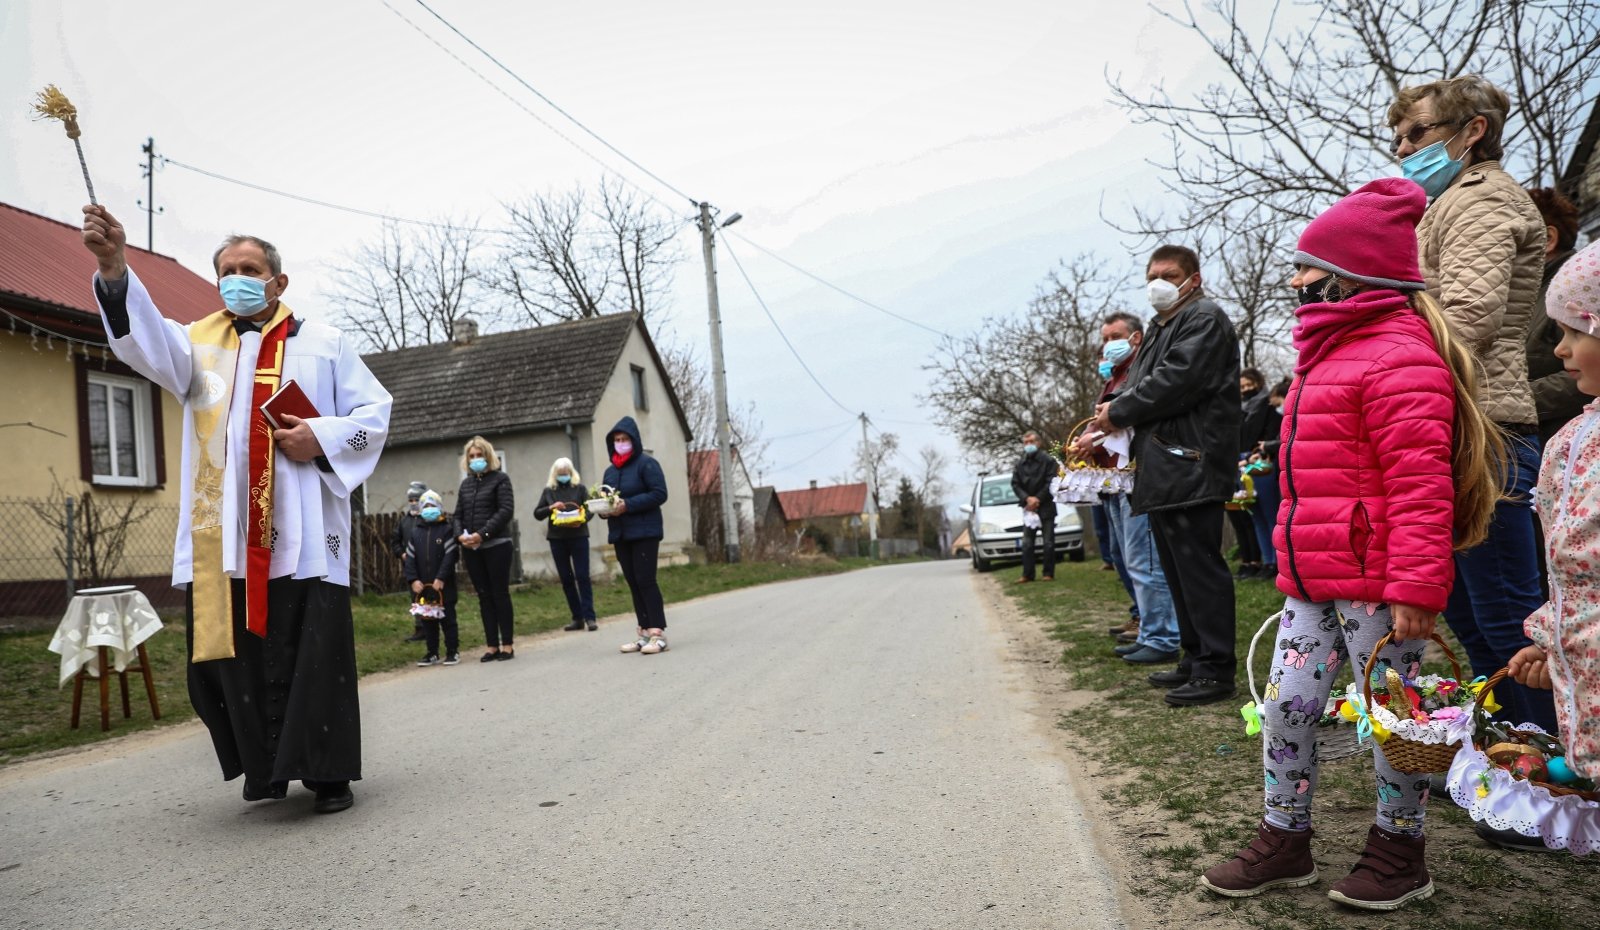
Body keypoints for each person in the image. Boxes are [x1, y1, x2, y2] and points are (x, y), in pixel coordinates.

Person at [1198, 178, 1501, 910]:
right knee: (1287, 707)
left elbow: (1421, 483)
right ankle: (1285, 838)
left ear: (1351, 275)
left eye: (1308, 268)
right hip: (1314, 574)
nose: (1296, 280)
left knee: (1391, 724)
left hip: (1376, 579)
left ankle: (1401, 850)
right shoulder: (1325, 353)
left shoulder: (1398, 356)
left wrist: (1417, 587)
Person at [81, 205, 391, 814]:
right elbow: (141, 338)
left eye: (250, 268)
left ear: (278, 281)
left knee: (313, 654)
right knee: (235, 660)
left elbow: (373, 417)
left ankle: (328, 775)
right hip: (223, 538)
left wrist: (321, 438)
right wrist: (114, 265)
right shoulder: (195, 344)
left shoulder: (325, 344)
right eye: (227, 270)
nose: (237, 278)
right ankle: (265, 772)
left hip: (301, 536)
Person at [1389, 75, 1556, 733]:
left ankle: (1550, 769)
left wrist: (1384, 362)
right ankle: (1507, 749)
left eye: (1417, 134)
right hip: (1458, 425)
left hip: (1489, 425)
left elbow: (1470, 314)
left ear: (1473, 130)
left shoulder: (1482, 201)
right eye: (1398, 139)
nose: (1404, 150)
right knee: (1464, 608)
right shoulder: (1448, 204)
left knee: (1508, 612)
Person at [1082, 244, 1241, 707]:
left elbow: (1176, 380)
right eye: (1152, 274)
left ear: (1193, 277)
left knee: (1199, 570)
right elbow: (1140, 383)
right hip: (1166, 465)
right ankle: (1193, 658)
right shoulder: (1162, 325)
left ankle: (1215, 669)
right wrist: (1105, 418)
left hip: (1192, 460)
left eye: (1168, 273)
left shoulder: (1204, 318)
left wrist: (1121, 410)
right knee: (1177, 571)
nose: (1159, 282)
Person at [1496, 241, 1600, 854]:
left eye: (1572, 331)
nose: (1558, 349)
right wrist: (1547, 639)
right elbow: (1567, 574)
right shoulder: (1573, 437)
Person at [1093, 311, 1180, 667]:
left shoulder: (1141, 373)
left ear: (1136, 338)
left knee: (1145, 561)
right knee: (1128, 559)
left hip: (1136, 478)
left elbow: (1128, 419)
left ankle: (1162, 635)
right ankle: (1150, 630)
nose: (1108, 344)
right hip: (1114, 479)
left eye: (1115, 335)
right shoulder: (1113, 375)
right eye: (1104, 338)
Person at [602, 417, 672, 654]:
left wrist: (628, 505)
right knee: (632, 582)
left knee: (646, 579)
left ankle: (657, 633)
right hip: (621, 533)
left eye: (624, 439)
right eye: (616, 440)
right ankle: (643, 632)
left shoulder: (647, 464)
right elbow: (607, 499)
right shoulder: (610, 472)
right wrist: (603, 510)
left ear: (634, 441)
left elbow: (659, 494)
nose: (620, 443)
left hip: (645, 531)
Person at [1524, 187, 1585, 447]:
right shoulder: (1530, 289)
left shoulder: (1578, 289)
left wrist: (1512, 399)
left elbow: (1586, 374)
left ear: (1548, 239)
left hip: (1562, 446)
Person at [456, 436, 516, 662]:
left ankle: (507, 644)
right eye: (471, 456)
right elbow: (458, 514)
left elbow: (505, 511)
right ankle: (492, 645)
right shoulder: (466, 484)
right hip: (472, 549)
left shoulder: (501, 480)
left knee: (499, 594)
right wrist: (460, 535)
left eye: (479, 455)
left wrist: (483, 534)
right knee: (484, 596)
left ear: (488, 456)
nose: (475, 459)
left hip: (497, 545)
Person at [533, 457, 597, 632]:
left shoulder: (580, 489)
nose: (563, 476)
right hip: (557, 539)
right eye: (560, 474)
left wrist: (582, 519)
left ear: (571, 473)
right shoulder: (548, 491)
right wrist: (551, 507)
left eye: (566, 473)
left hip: (579, 536)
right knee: (566, 579)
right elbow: (537, 513)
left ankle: (590, 617)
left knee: (583, 576)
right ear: (555, 474)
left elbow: (591, 508)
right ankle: (577, 617)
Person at [404, 490, 460, 667]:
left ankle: (452, 651)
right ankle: (432, 652)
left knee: (448, 619)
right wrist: (413, 579)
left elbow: (451, 556)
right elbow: (410, 558)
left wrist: (441, 577)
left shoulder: (447, 530)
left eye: (433, 506)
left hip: (443, 585)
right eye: (426, 507)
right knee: (428, 621)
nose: (429, 509)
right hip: (424, 587)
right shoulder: (416, 532)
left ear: (440, 508)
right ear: (420, 510)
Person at [1229, 368, 1272, 579]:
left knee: (1263, 516)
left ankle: (1269, 561)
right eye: (1242, 387)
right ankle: (1255, 560)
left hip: (1260, 464)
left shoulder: (1268, 407)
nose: (1246, 390)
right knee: (1247, 517)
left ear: (1258, 383)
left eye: (1249, 385)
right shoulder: (1240, 410)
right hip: (1240, 463)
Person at [1010, 431, 1059, 583]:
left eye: (1031, 441)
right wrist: (1027, 499)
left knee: (1048, 542)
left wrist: (1038, 498)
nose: (1028, 445)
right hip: (1028, 509)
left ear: (1038, 443)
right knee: (1027, 543)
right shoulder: (1020, 463)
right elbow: (1015, 484)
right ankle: (1027, 574)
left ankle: (1048, 573)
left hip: (1046, 505)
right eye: (1025, 442)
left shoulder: (1048, 460)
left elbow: (1051, 481)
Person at [390, 481, 430, 643]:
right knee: (416, 598)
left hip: (427, 566)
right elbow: (395, 541)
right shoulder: (404, 522)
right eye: (411, 500)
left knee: (430, 596)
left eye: (416, 500)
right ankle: (420, 628)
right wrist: (402, 554)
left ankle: (432, 626)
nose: (413, 503)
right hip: (411, 568)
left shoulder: (427, 518)